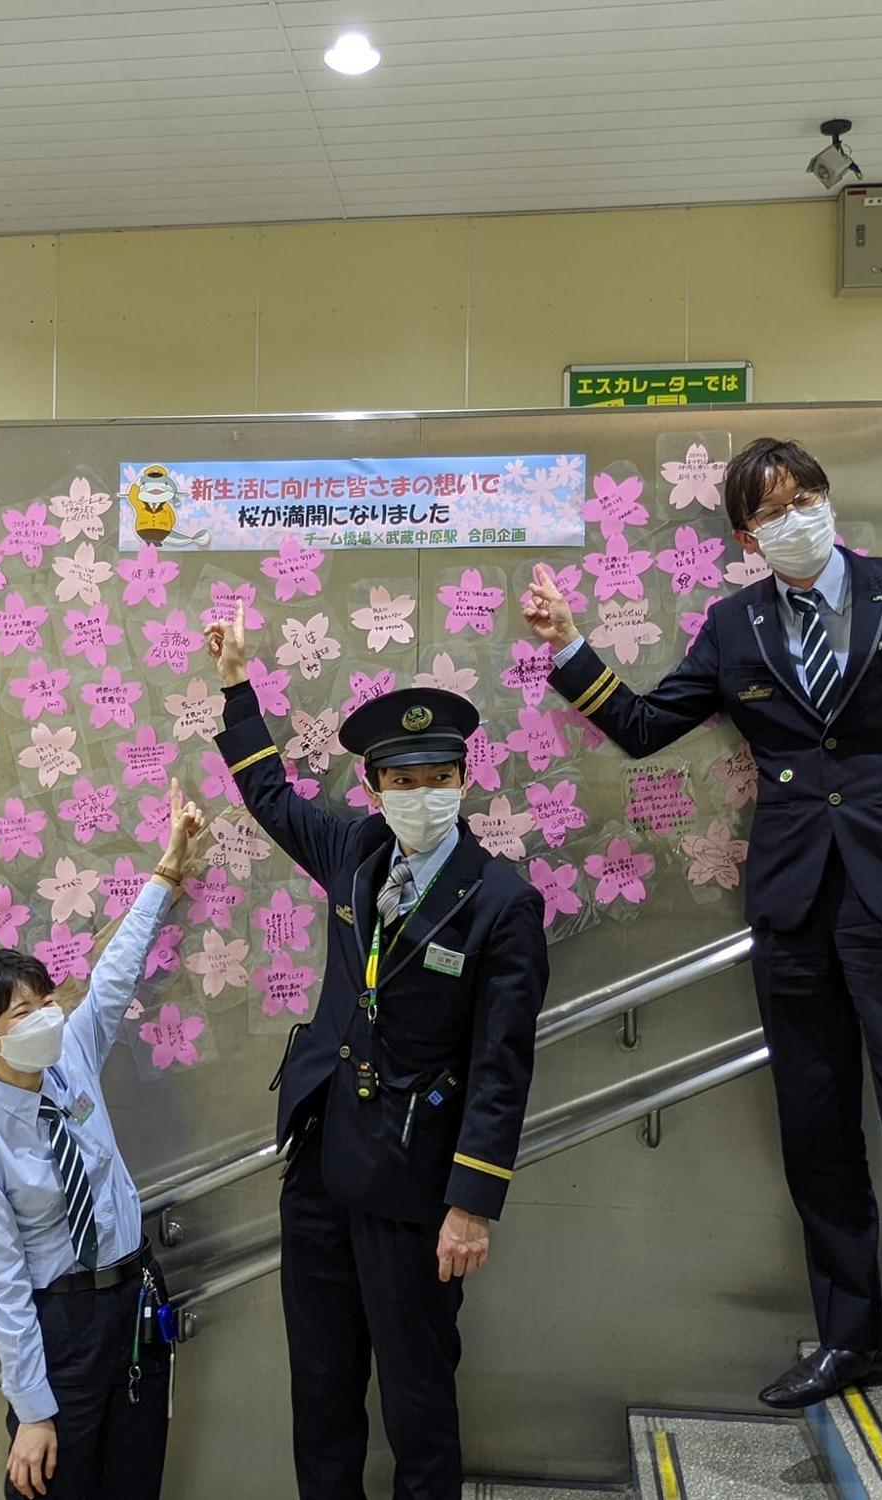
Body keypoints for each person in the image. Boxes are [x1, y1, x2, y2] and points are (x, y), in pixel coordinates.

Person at [520, 437, 882, 1498]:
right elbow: (640, 728)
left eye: (806, 496)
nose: (796, 516)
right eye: (772, 509)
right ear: (743, 536)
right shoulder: (732, 626)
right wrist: (570, 644)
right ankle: (851, 1337)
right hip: (794, 915)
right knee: (815, 1140)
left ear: (825, 501)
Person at [203, 600, 549, 1500]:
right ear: (374, 788)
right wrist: (237, 683)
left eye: (438, 776)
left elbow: (502, 1067)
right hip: (319, 1163)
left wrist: (470, 1203)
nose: (420, 795)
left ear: (463, 780)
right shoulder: (357, 851)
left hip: (413, 1186)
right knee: (320, 1390)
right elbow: (271, 798)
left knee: (418, 1399)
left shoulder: (501, 902)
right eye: (402, 781)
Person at [0, 780, 205, 1500]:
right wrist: (31, 1411)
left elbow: (114, 974)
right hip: (64, 1326)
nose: (47, 1017)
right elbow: (3, 1288)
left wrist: (167, 870)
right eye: (24, 1012)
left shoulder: (71, 1059)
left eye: (47, 1001)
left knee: (134, 1479)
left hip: (134, 1300)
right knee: (61, 1486)